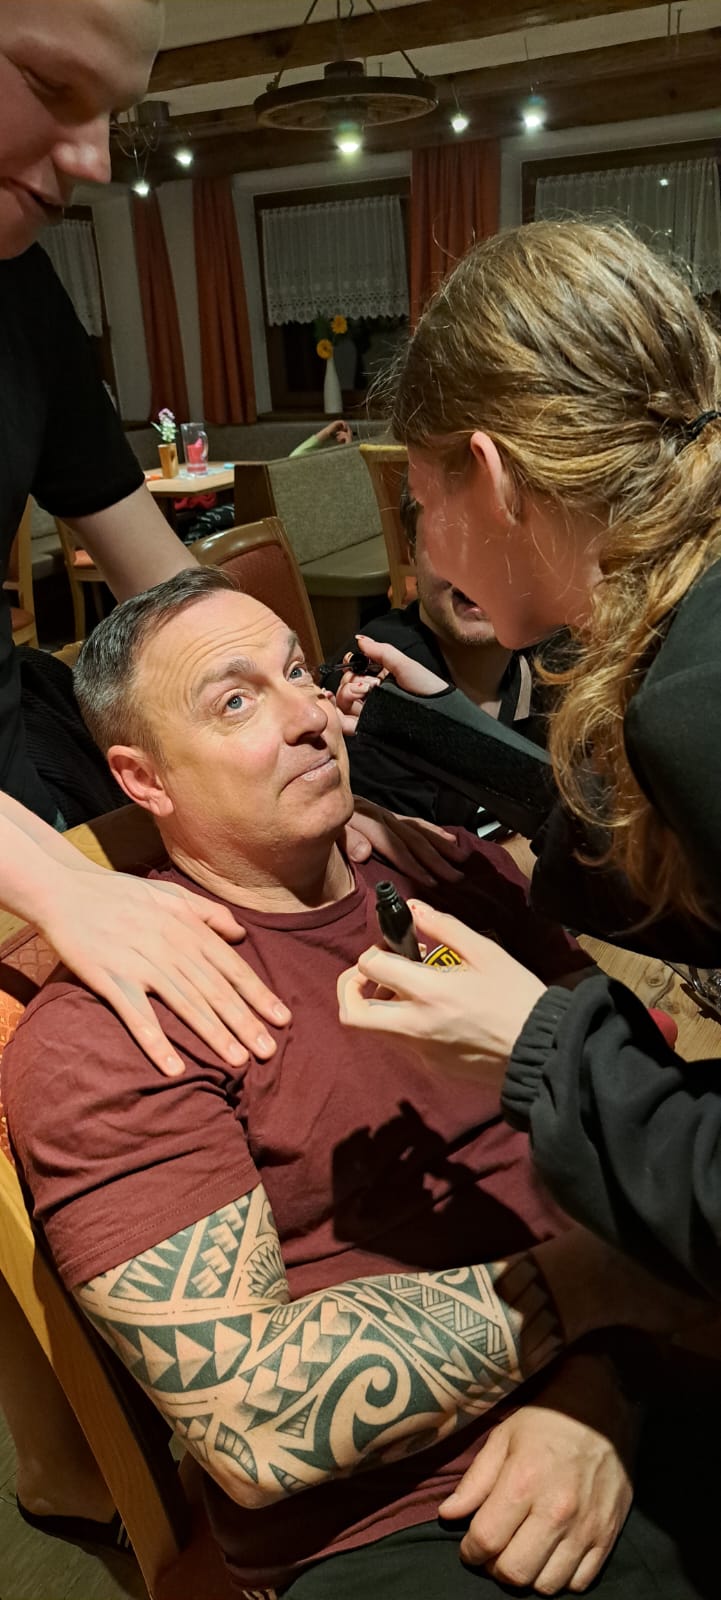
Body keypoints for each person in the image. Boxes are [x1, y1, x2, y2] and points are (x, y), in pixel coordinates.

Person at [3, 569, 704, 1598]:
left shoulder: (445, 870)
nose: (305, 716)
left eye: (299, 671)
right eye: (234, 701)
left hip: (647, 1362)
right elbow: (252, 1417)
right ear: (143, 780)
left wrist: (596, 1386)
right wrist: (601, 1286)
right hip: (426, 1513)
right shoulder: (121, 1024)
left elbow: (644, 1114)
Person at [0, 0, 459, 1546]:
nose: (87, 162)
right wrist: (63, 885)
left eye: (112, 116)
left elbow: (152, 568)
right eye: (49, 88)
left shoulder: (19, 287)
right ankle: (74, 1447)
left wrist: (281, 692)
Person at [336, 217, 721, 1302]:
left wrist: (532, 1039)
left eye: (422, 504)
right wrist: (433, 732)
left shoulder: (694, 699)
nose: (427, 549)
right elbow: (655, 843)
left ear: (492, 475)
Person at [323, 484, 554, 834]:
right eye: (449, 539)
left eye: (506, 538)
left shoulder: (557, 658)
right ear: (412, 552)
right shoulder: (373, 692)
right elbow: (430, 863)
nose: (479, 566)